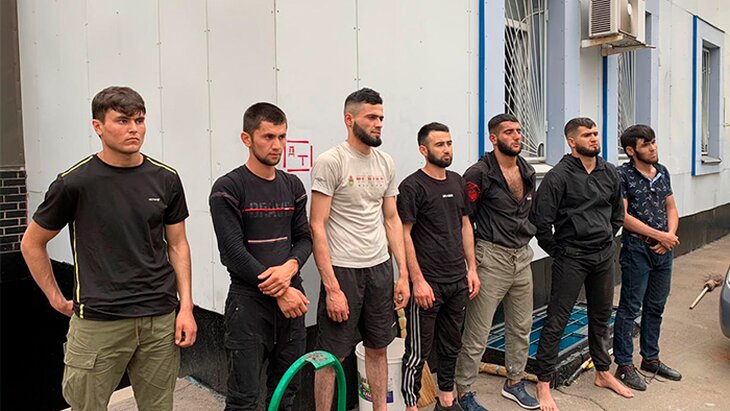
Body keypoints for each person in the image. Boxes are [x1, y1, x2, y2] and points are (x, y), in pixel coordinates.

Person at [20, 86, 197, 411]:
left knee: (159, 407)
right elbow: (32, 243)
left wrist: (185, 307)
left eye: (139, 120)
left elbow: (178, 244)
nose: (134, 129)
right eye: (123, 121)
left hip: (158, 319)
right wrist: (55, 298)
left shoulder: (166, 179)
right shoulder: (74, 183)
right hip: (99, 322)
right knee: (87, 406)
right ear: (98, 126)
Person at [311, 88, 410, 411]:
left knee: (378, 347)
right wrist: (332, 288)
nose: (379, 123)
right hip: (344, 271)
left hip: (380, 269)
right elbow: (317, 225)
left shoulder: (386, 162)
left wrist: (402, 274)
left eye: (381, 117)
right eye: (371, 117)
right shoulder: (331, 161)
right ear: (349, 119)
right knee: (331, 356)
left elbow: (392, 219)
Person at [209, 102, 312, 410]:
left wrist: (290, 268)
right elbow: (233, 253)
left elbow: (304, 238)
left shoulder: (292, 185)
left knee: (286, 392)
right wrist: (281, 290)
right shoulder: (228, 188)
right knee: (244, 400)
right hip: (249, 305)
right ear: (247, 138)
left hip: (292, 301)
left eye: (282, 136)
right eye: (268, 136)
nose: (277, 145)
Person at [530, 117, 631, 411]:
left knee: (601, 316)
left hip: (603, 255)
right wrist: (560, 251)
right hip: (571, 257)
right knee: (557, 319)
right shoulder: (558, 177)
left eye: (596, 133)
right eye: (587, 135)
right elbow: (541, 222)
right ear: (572, 142)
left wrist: (608, 238)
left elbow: (617, 212)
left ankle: (602, 372)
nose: (594, 138)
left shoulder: (609, 172)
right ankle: (543, 383)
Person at [454, 114, 539, 410]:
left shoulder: (526, 169)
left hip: (522, 256)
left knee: (521, 327)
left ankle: (514, 382)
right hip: (491, 257)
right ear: (493, 138)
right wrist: (471, 266)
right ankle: (464, 391)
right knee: (478, 332)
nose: (516, 136)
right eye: (508, 132)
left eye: (518, 131)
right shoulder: (478, 174)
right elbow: (464, 220)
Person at [398, 122, 480, 411]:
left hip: (458, 280)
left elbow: (465, 225)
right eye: (439, 144)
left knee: (451, 345)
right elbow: (404, 235)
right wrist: (417, 280)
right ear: (424, 150)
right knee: (417, 352)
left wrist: (472, 269)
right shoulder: (412, 186)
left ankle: (446, 400)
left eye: (449, 143)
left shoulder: (457, 181)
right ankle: (410, 405)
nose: (447, 149)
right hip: (428, 285)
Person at [612, 124, 681, 391]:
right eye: (646, 144)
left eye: (653, 142)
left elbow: (671, 207)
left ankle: (650, 358)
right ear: (631, 150)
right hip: (637, 250)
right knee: (630, 308)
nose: (653, 148)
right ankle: (624, 365)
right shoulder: (622, 176)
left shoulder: (661, 171)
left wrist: (669, 236)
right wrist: (659, 236)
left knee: (656, 306)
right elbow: (623, 216)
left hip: (664, 250)